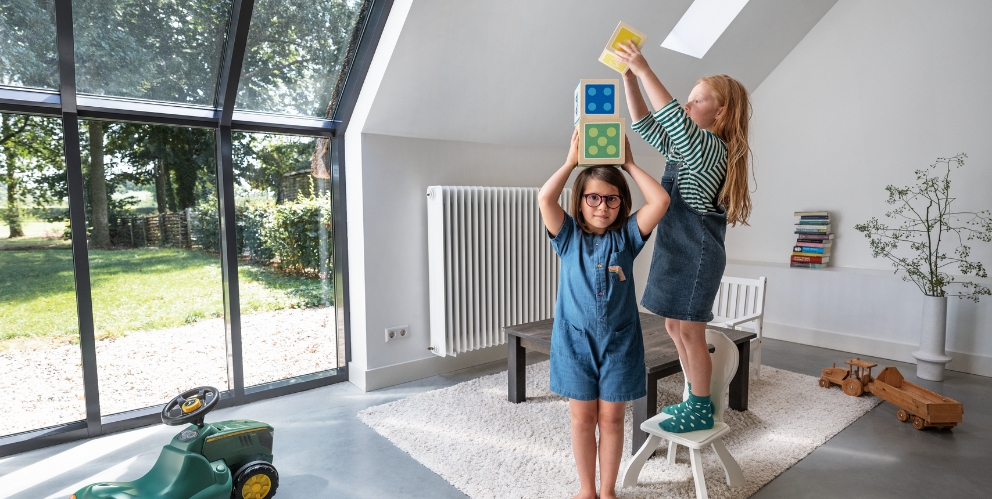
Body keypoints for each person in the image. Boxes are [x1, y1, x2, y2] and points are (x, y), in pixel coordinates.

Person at [614, 41, 753, 433]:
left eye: (697, 100)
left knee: (690, 329)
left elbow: (672, 117)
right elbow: (646, 124)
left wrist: (644, 68)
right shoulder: (685, 149)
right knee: (674, 327)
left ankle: (700, 407)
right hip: (676, 250)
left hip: (696, 254)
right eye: (688, 99)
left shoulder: (710, 148)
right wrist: (629, 79)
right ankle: (694, 397)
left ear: (721, 112)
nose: (688, 105)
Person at [538, 131, 669, 499]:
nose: (602, 206)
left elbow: (660, 200)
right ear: (580, 201)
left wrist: (629, 163)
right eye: (593, 197)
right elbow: (545, 198)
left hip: (620, 344)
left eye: (612, 198)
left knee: (612, 419)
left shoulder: (627, 236)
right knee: (582, 419)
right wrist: (570, 162)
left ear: (622, 202)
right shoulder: (567, 236)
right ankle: (587, 489)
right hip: (574, 344)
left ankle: (607, 490)